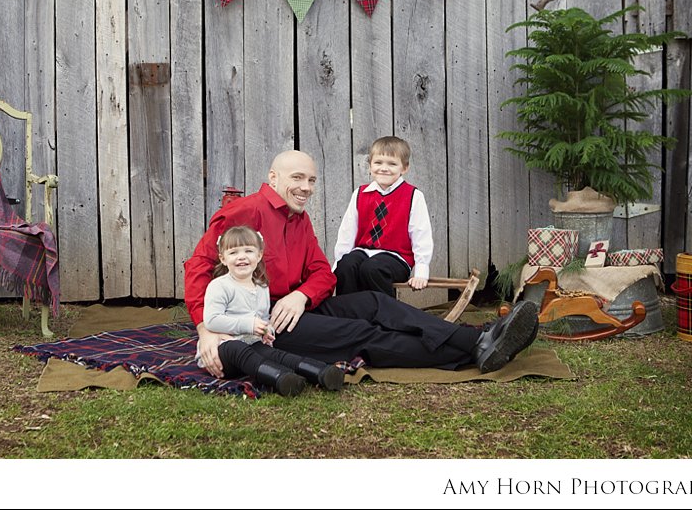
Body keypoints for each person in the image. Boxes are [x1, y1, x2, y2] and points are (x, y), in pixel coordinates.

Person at [184, 150, 538, 379]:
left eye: (311, 181)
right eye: (297, 179)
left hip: (299, 307)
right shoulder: (244, 212)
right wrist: (206, 330)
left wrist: (302, 296)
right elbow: (198, 266)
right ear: (273, 178)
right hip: (265, 321)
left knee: (375, 302)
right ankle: (475, 349)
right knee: (363, 335)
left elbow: (324, 272)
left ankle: (479, 339)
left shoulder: (300, 220)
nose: (306, 187)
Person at [198, 225, 345, 396]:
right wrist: (249, 325)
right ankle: (279, 378)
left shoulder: (261, 287)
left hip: (251, 343)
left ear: (259, 255)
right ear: (223, 259)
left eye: (248, 251)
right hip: (222, 350)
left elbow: (262, 317)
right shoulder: (219, 286)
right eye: (233, 253)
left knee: (273, 353)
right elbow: (212, 320)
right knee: (238, 348)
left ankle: (320, 372)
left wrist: (267, 330)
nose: (241, 257)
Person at [333, 136, 431, 297]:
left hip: (396, 257)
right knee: (346, 266)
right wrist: (339, 261)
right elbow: (347, 231)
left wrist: (421, 270)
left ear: (404, 168)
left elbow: (421, 234)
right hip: (363, 251)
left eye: (392, 164)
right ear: (370, 165)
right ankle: (349, 316)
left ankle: (385, 316)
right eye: (378, 163)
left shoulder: (413, 195)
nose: (384, 168)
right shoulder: (360, 194)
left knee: (372, 268)